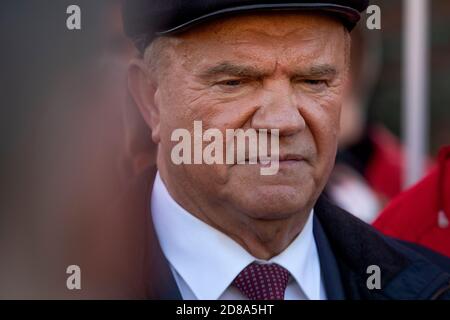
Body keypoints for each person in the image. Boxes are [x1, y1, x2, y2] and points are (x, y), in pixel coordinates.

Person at [120, 0, 450, 300]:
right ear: (151, 98)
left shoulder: (426, 286)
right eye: (235, 82)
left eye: (312, 82)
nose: (283, 121)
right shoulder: (81, 277)